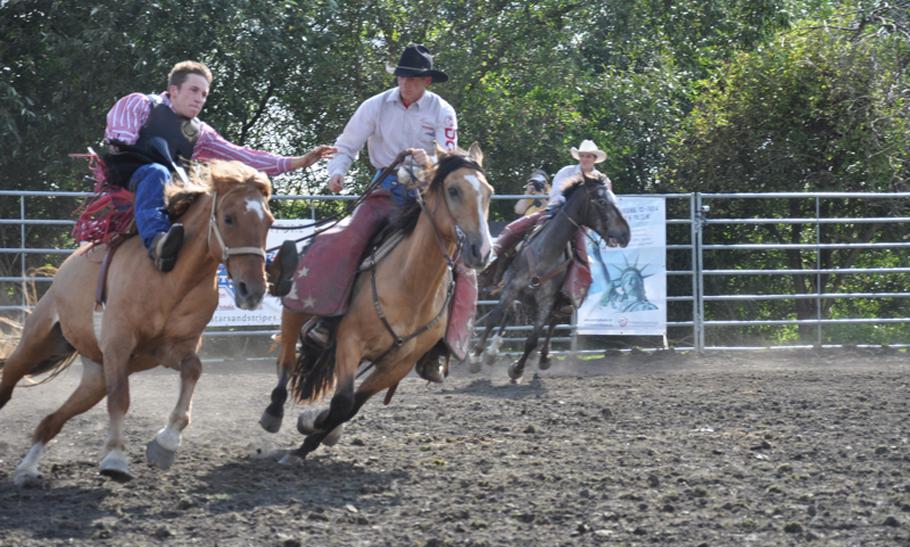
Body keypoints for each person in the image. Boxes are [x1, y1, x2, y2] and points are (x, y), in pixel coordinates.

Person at [284, 44, 471, 384]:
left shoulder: (443, 111)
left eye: (413, 79)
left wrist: (427, 161)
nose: (406, 84)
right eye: (402, 77)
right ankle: (327, 319)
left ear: (426, 80)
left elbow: (450, 156)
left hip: (428, 193)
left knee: (460, 258)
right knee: (349, 238)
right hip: (385, 185)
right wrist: (336, 172)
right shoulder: (375, 105)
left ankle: (439, 345)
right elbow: (348, 143)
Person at [101, 60, 335, 295]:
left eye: (204, 94)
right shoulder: (140, 104)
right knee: (157, 172)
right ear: (174, 90)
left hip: (169, 186)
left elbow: (241, 155)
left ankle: (265, 270)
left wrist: (297, 162)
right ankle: (157, 243)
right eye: (194, 90)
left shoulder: (199, 131)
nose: (199, 99)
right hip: (132, 175)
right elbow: (120, 141)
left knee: (216, 204)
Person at [490, 140, 611, 312]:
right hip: (554, 214)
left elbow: (605, 205)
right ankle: (493, 271)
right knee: (514, 229)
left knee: (582, 257)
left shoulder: (602, 180)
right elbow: (556, 196)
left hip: (581, 224)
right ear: (579, 157)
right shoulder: (566, 172)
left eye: (588, 156)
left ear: (594, 158)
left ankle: (569, 296)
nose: (585, 159)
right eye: (582, 156)